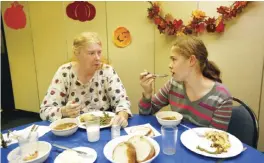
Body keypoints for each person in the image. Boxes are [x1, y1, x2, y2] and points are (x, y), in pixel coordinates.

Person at [139, 36, 232, 131]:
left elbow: (215, 139)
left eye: (174, 59)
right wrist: (147, 93)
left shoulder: (221, 97)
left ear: (191, 60)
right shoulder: (173, 84)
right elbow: (145, 113)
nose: (169, 65)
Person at [40, 32, 131, 127]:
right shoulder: (65, 72)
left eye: (99, 52)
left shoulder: (107, 71)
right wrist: (64, 111)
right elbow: (45, 110)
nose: (98, 58)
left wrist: (122, 115)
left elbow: (122, 101)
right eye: (91, 53)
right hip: (73, 130)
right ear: (77, 54)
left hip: (104, 128)